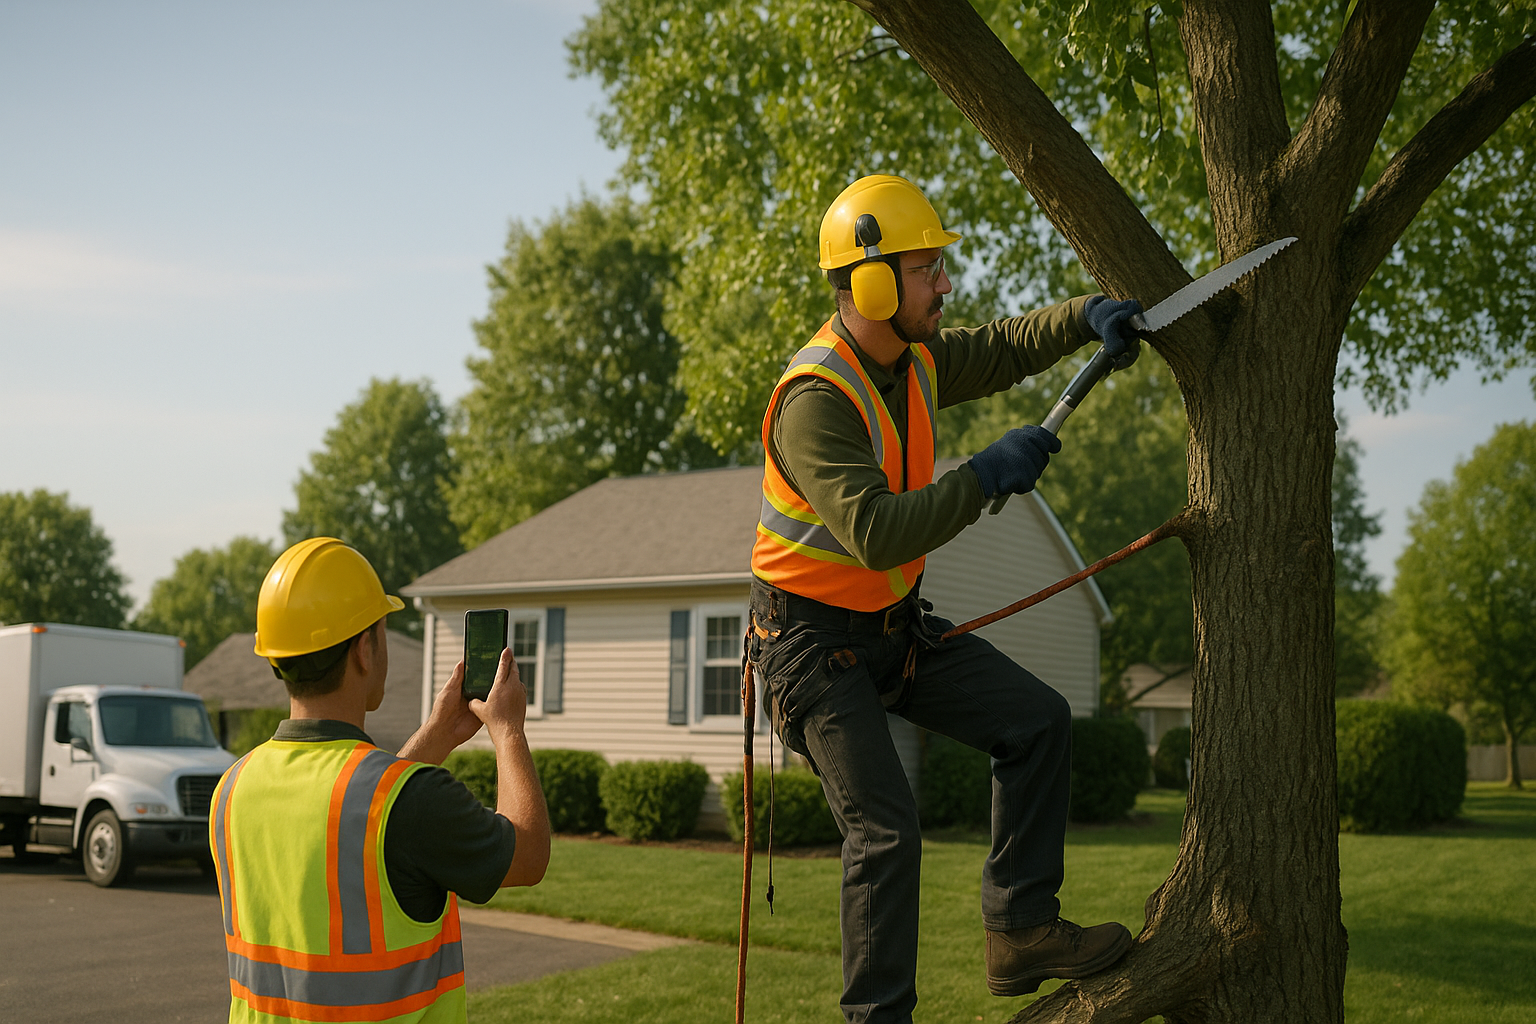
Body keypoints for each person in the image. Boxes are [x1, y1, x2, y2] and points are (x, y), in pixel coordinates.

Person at [748, 174, 1142, 1023]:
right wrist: (984, 475)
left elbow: (1002, 347)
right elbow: (881, 532)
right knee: (885, 830)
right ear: (874, 280)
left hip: (894, 633)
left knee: (1037, 721)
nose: (946, 284)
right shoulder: (816, 401)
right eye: (930, 269)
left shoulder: (917, 360)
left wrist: (1086, 317)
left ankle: (1021, 932)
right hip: (808, 649)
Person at [209, 536, 550, 1024]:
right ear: (365, 649)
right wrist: (508, 731)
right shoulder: (414, 801)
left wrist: (434, 738)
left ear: (275, 657)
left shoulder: (232, 789)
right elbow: (528, 854)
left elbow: (361, 821)